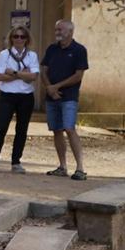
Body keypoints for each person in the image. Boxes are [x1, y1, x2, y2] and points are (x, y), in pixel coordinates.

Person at [41, 19, 90, 181]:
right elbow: (44, 70)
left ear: (70, 31)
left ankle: (80, 168)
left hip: (68, 97)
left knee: (69, 129)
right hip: (51, 97)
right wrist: (50, 88)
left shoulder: (79, 50)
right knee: (56, 130)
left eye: (60, 29)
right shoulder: (52, 49)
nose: (57, 32)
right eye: (56, 29)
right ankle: (62, 166)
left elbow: (78, 75)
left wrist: (57, 87)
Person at [0, 26, 39, 173]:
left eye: (22, 37)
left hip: (26, 96)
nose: (19, 39)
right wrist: (23, 74)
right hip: (7, 95)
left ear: (27, 39)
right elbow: (0, 76)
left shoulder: (32, 55)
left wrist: (13, 72)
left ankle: (16, 161)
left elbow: (34, 76)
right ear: (11, 39)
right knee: (1, 127)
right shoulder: (4, 54)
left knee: (22, 129)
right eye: (16, 36)